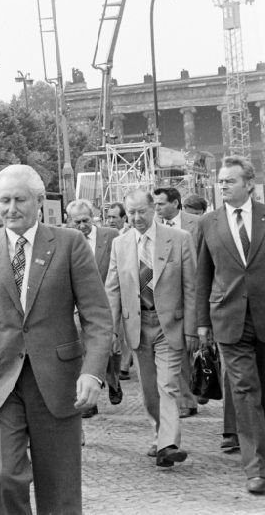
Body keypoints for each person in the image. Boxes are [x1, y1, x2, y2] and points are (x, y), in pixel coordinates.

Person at [0, 164, 112, 515]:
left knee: (59, 484)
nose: (10, 209)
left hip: (57, 379)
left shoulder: (70, 244)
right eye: (3, 200)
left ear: (39, 201)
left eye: (19, 200)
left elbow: (97, 316)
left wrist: (92, 372)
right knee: (4, 477)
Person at [106, 190, 197, 467]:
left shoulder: (179, 239)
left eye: (141, 212)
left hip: (169, 324)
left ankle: (169, 444)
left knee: (167, 384)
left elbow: (192, 287)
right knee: (148, 390)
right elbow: (112, 290)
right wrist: (110, 331)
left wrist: (193, 328)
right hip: (137, 325)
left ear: (152, 209)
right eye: (131, 213)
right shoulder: (120, 244)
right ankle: (159, 434)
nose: (136, 218)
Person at [195, 156, 265, 495]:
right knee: (245, 391)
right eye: (220, 181)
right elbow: (202, 275)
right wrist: (201, 323)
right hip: (229, 320)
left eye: (230, 181)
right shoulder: (209, 223)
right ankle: (257, 469)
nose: (223, 186)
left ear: (248, 184)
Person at [65, 198, 122, 414]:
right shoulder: (68, 240)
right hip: (79, 306)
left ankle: (113, 380)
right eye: (76, 222)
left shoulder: (111, 236)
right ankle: (89, 400)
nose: (82, 226)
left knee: (111, 349)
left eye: (85, 220)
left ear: (93, 216)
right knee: (85, 349)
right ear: (69, 221)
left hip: (107, 303)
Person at [153, 186, 202, 417]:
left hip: (196, 291)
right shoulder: (154, 227)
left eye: (161, 204)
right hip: (169, 301)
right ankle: (186, 400)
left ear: (175, 202)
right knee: (177, 353)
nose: (157, 208)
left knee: (196, 348)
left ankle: (200, 386)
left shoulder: (196, 223)